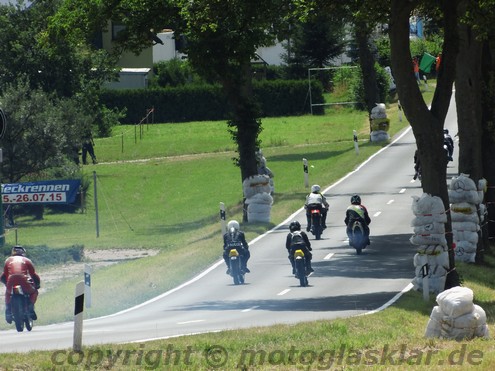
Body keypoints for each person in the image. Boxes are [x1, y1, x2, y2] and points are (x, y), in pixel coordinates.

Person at [1, 245, 41, 323]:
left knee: (7, 293)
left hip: (11, 280)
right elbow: (33, 274)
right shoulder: (27, 260)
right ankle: (31, 308)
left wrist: (6, 284)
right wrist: (37, 284)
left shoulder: (7, 260)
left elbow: (4, 276)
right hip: (24, 280)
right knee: (34, 292)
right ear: (23, 252)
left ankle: (8, 310)